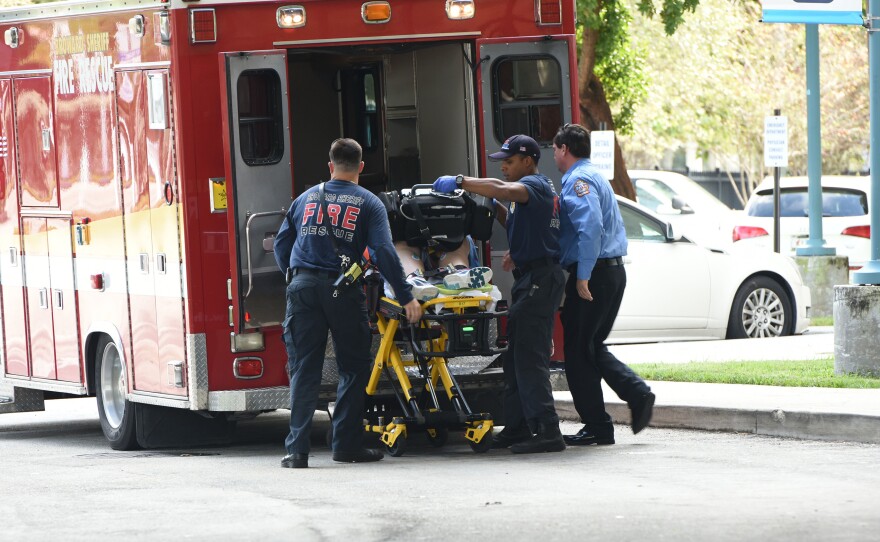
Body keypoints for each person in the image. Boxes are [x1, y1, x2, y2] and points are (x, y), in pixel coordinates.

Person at [274, 138, 422, 469]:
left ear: (330, 165)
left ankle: (296, 452)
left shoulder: (305, 198)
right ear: (361, 167)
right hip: (343, 291)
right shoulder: (370, 204)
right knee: (354, 368)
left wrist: (296, 279)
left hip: (301, 288)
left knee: (303, 369)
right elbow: (384, 252)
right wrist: (406, 295)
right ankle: (345, 445)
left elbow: (282, 245)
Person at [433, 134, 565, 454]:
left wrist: (464, 182)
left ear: (528, 161)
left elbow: (502, 188)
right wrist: (490, 207)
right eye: (501, 162)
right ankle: (517, 427)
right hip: (529, 279)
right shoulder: (523, 197)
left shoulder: (534, 185)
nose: (504, 166)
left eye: (509, 161)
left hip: (540, 280)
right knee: (514, 359)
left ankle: (548, 430)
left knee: (529, 359)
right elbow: (513, 216)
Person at [552, 123, 655, 446]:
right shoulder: (594, 174)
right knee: (590, 346)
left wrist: (582, 276)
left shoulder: (578, 180)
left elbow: (591, 225)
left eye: (555, 149)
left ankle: (604, 419)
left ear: (564, 149)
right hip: (609, 272)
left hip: (595, 274)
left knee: (580, 351)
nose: (554, 155)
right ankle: (627, 402)